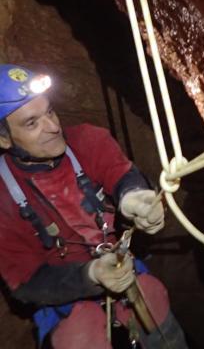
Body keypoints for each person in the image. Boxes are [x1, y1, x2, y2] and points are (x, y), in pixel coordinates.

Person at [0, 64, 188, 348]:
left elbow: (121, 174)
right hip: (65, 293)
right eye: (32, 123)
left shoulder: (86, 140)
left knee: (152, 297)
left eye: (49, 111)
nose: (53, 127)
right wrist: (91, 275)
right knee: (78, 335)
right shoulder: (3, 197)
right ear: (3, 139)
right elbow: (26, 283)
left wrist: (134, 196)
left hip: (122, 267)